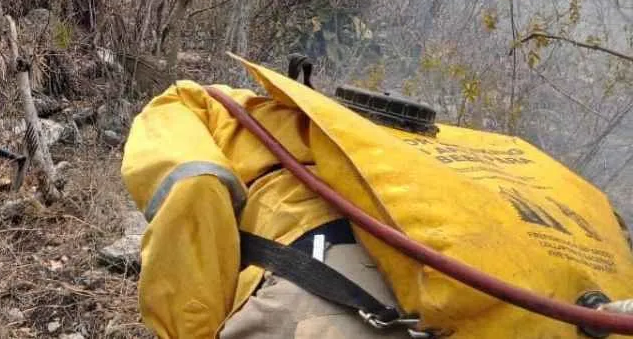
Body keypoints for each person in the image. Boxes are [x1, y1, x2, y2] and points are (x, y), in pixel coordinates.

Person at [120, 55, 633, 338]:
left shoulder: (200, 106)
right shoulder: (425, 161)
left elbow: (194, 188)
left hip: (310, 303)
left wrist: (191, 331)